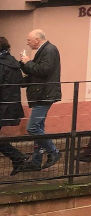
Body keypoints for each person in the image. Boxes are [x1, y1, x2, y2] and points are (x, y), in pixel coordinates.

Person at [19, 29, 61, 170]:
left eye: (29, 40)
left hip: (44, 95)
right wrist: (24, 64)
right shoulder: (45, 50)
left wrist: (28, 62)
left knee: (32, 128)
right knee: (38, 128)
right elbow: (35, 72)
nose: (27, 42)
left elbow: (44, 70)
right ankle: (36, 162)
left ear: (37, 40)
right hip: (41, 94)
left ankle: (53, 151)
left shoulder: (50, 50)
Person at [0, 37, 28, 175]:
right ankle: (18, 158)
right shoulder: (13, 63)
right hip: (10, 106)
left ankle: (18, 157)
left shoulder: (1, 64)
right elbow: (21, 82)